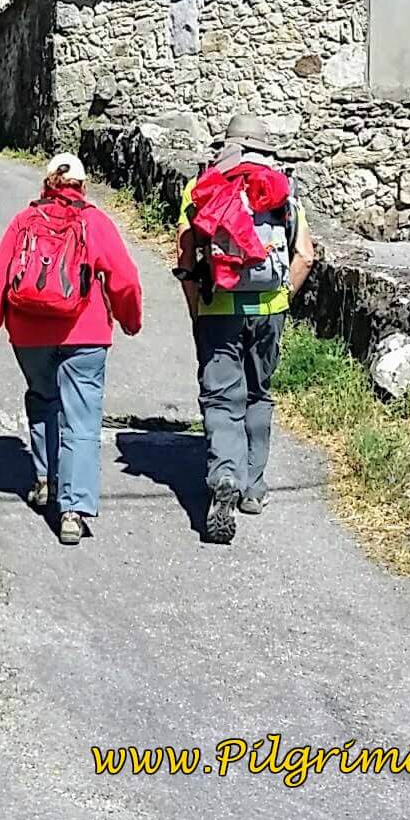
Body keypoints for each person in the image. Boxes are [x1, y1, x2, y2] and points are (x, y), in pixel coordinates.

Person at [0, 153, 144, 545]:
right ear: (82, 187)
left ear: (47, 184)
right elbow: (126, 279)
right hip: (86, 335)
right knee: (82, 422)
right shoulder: (95, 221)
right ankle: (73, 511)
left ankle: (46, 480)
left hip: (29, 335)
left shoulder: (24, 222)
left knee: (43, 399)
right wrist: (129, 319)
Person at [174, 114, 316, 544]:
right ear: (265, 148)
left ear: (227, 145)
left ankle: (224, 477)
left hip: (219, 306)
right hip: (269, 308)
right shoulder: (283, 189)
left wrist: (198, 310)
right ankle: (253, 489)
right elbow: (305, 255)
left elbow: (185, 258)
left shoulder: (202, 187)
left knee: (221, 400)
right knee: (258, 393)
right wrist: (282, 297)